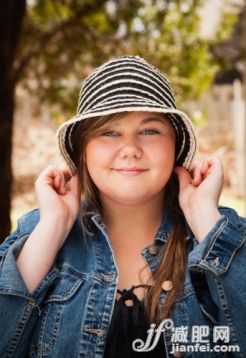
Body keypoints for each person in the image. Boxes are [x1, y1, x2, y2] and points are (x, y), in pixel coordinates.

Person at [0, 56, 245, 358]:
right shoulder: (37, 234)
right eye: (109, 132)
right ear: (83, 151)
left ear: (175, 146)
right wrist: (53, 226)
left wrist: (205, 218)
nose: (130, 149)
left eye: (150, 131)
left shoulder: (221, 237)